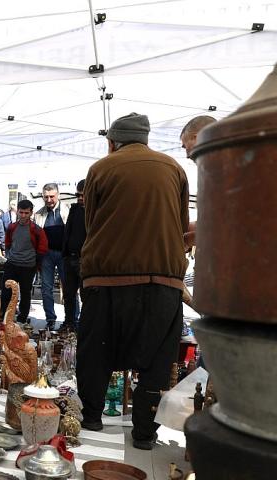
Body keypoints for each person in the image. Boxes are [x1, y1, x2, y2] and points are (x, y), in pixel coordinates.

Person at [76, 112, 189, 451]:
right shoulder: (174, 168)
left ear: (112, 142)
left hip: (107, 279)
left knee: (95, 353)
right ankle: (143, 434)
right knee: (157, 361)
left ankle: (93, 418)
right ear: (146, 140)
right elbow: (181, 226)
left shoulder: (101, 169)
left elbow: (92, 223)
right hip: (163, 280)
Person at [0, 199, 48, 324]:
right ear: (17, 212)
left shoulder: (36, 230)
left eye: (26, 213)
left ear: (31, 213)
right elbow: (8, 242)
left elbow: (43, 248)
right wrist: (9, 255)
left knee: (25, 293)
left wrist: (36, 263)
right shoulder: (12, 227)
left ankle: (22, 318)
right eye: (21, 212)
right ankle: (4, 317)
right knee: (6, 291)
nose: (23, 215)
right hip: (12, 263)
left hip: (28, 266)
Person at [180, 115, 216, 249]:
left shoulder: (221, 172)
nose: (187, 155)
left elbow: (226, 223)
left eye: (185, 146)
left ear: (197, 137)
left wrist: (188, 240)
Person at [33, 183, 66, 329]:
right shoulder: (39, 213)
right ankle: (50, 319)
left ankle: (72, 319)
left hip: (64, 254)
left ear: (57, 195)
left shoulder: (67, 211)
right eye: (46, 197)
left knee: (69, 287)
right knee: (46, 288)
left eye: (51, 196)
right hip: (46, 255)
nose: (49, 200)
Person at [60, 180, 86, 331]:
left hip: (84, 260)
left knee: (85, 295)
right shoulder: (74, 209)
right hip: (70, 258)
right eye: (78, 195)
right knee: (69, 294)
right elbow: (67, 231)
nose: (80, 198)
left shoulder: (94, 211)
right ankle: (69, 322)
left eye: (83, 195)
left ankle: (83, 324)